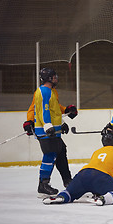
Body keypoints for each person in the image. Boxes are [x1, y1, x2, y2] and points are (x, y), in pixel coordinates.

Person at [23, 68, 78, 196]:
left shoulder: (52, 92)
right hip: (46, 130)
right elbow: (42, 110)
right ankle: (43, 184)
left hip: (53, 130)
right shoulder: (42, 92)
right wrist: (46, 125)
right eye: (54, 76)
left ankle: (67, 180)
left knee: (61, 152)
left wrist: (66, 112)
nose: (56, 78)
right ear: (49, 78)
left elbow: (55, 110)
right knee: (50, 154)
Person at [42, 127, 113, 206]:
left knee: (70, 193)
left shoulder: (97, 151)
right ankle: (104, 198)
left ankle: (61, 197)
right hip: (101, 177)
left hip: (83, 174)